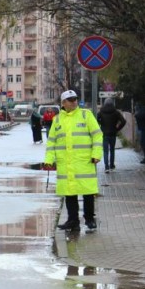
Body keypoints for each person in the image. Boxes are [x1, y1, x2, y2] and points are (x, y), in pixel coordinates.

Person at [43, 89, 103, 232]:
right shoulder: (57, 119)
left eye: (75, 99)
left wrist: (96, 154)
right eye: (70, 100)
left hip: (84, 162)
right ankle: (72, 221)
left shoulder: (85, 115)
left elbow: (97, 135)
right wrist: (48, 160)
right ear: (63, 103)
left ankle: (89, 219)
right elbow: (52, 142)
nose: (74, 102)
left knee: (87, 192)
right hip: (66, 163)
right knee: (70, 193)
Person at [96, 97, 126, 173]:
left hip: (104, 134)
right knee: (112, 150)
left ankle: (106, 167)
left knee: (105, 151)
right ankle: (112, 165)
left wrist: (100, 125)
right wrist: (117, 128)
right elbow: (123, 121)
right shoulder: (116, 112)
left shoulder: (101, 112)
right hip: (113, 133)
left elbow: (95, 120)